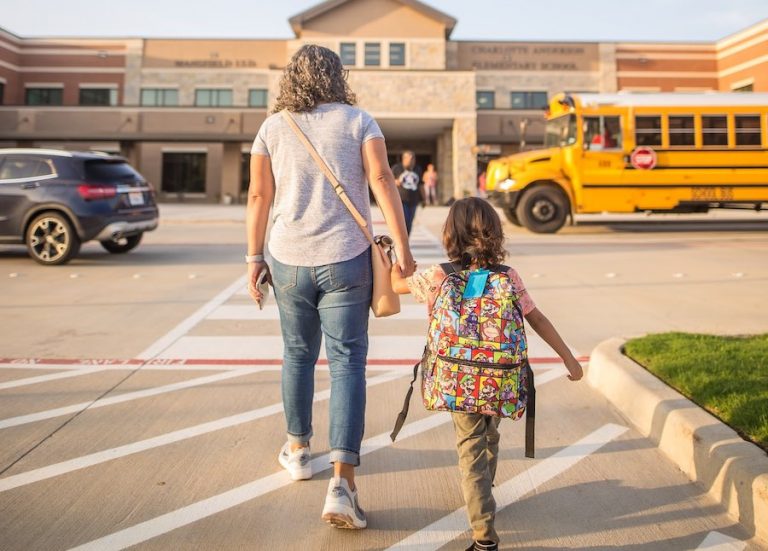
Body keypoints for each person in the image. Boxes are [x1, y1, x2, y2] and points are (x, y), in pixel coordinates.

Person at [246, 44, 416, 530]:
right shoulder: (360, 120)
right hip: (347, 258)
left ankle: (298, 449)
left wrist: (253, 258)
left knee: (297, 354)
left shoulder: (272, 126)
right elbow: (382, 179)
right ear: (336, 76)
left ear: (292, 78)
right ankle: (342, 484)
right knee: (347, 364)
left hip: (288, 259)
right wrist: (401, 246)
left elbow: (260, 195)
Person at [391, 197, 583, 551]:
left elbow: (396, 286)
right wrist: (568, 358)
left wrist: (394, 262)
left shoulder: (438, 276)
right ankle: (485, 490)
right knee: (489, 434)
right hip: (499, 379)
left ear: (451, 234)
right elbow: (536, 318)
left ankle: (484, 536)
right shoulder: (508, 277)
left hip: (457, 380)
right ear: (495, 234)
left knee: (470, 450)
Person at [391, 150, 424, 234]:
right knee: (404, 220)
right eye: (410, 158)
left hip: (414, 200)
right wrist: (396, 181)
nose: (412, 160)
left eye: (413, 158)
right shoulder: (397, 168)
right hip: (401, 200)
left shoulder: (418, 169)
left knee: (409, 222)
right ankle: (401, 239)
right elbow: (388, 181)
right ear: (404, 159)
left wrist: (424, 198)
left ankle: (406, 240)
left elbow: (420, 185)